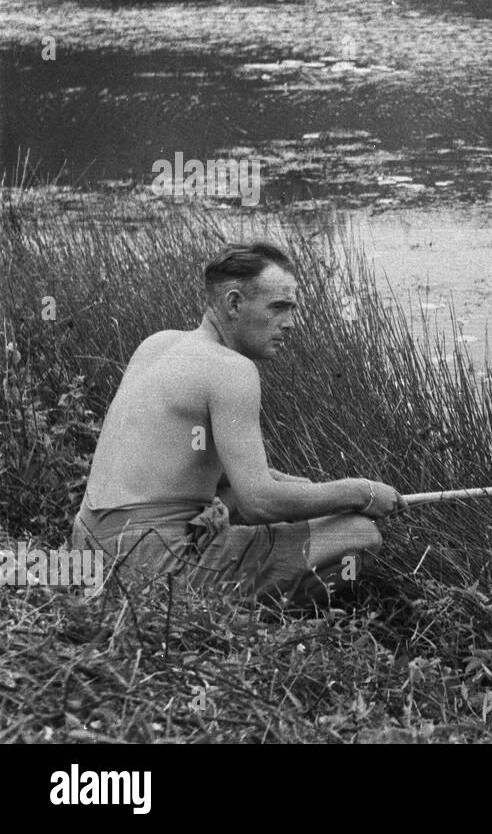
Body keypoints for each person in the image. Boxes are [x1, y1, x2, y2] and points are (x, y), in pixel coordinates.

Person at [71, 242, 404, 603]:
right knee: (360, 535)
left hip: (88, 547)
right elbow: (259, 502)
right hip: (146, 561)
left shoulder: (158, 344)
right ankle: (260, 613)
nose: (290, 323)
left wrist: (303, 489)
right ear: (233, 304)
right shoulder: (232, 370)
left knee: (236, 498)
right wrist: (363, 492)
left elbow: (214, 478)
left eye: (292, 308)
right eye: (278, 308)